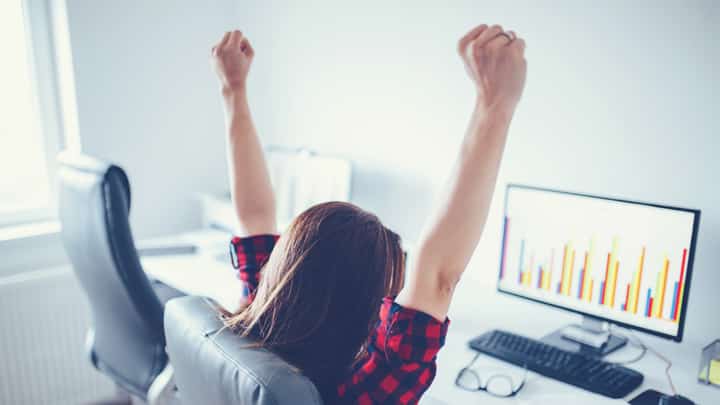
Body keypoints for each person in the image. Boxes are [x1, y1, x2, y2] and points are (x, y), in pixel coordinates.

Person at [210, 23, 526, 404]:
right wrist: (495, 105)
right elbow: (438, 274)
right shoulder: (356, 394)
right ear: (366, 317)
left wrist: (234, 90)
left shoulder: (260, 323)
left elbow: (254, 215)